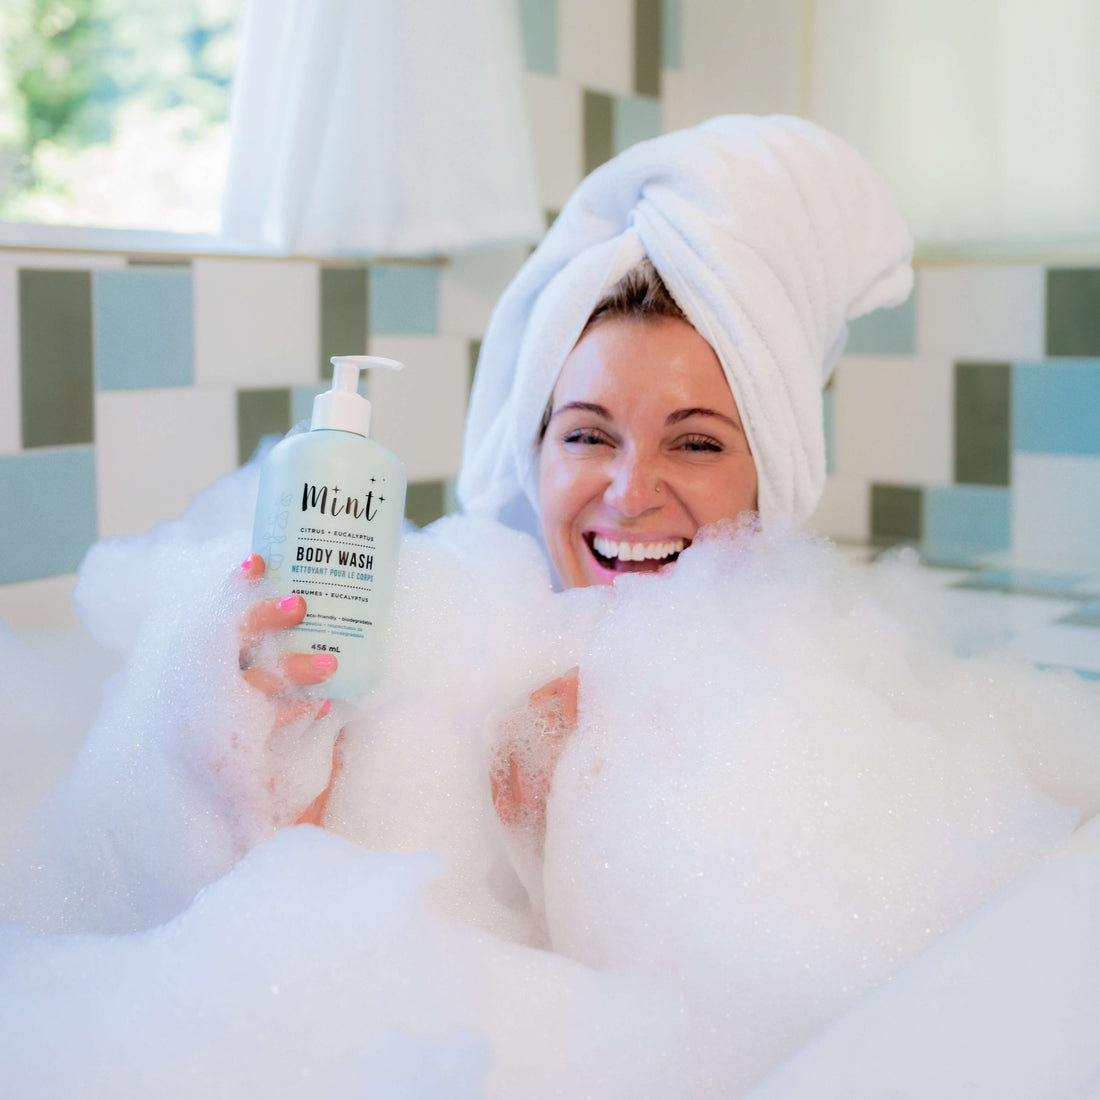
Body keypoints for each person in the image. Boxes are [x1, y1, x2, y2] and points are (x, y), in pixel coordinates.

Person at [234, 114, 913, 841]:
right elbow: (301, 911)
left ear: (771, 476)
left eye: (695, 445)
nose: (629, 493)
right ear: (535, 454)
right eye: (588, 434)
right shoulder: (420, 673)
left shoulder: (831, 718)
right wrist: (275, 756)